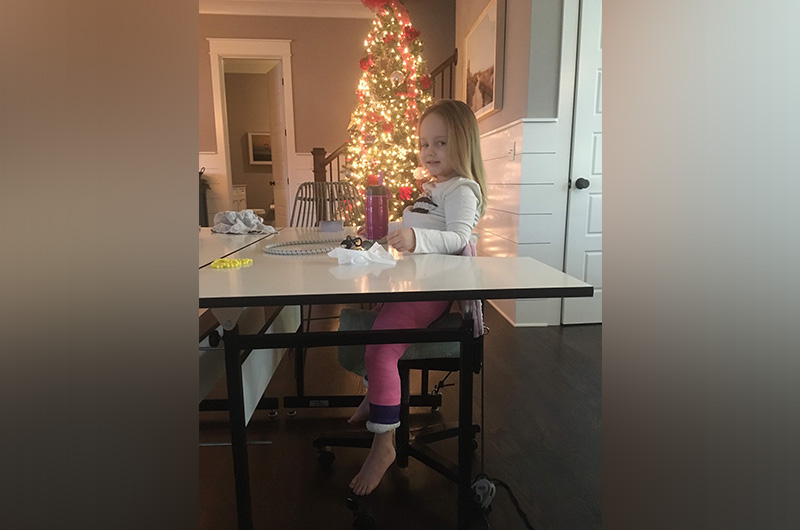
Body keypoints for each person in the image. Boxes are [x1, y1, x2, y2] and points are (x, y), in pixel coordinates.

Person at [348, 99, 488, 496]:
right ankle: (379, 399)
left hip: (433, 290)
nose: (429, 152)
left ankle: (384, 443)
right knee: (373, 332)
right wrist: (385, 227)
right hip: (411, 282)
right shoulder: (434, 189)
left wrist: (414, 238)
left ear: (463, 145)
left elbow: (459, 237)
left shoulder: (462, 190)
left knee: (380, 351)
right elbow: (417, 223)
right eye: (425, 144)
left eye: (440, 143)